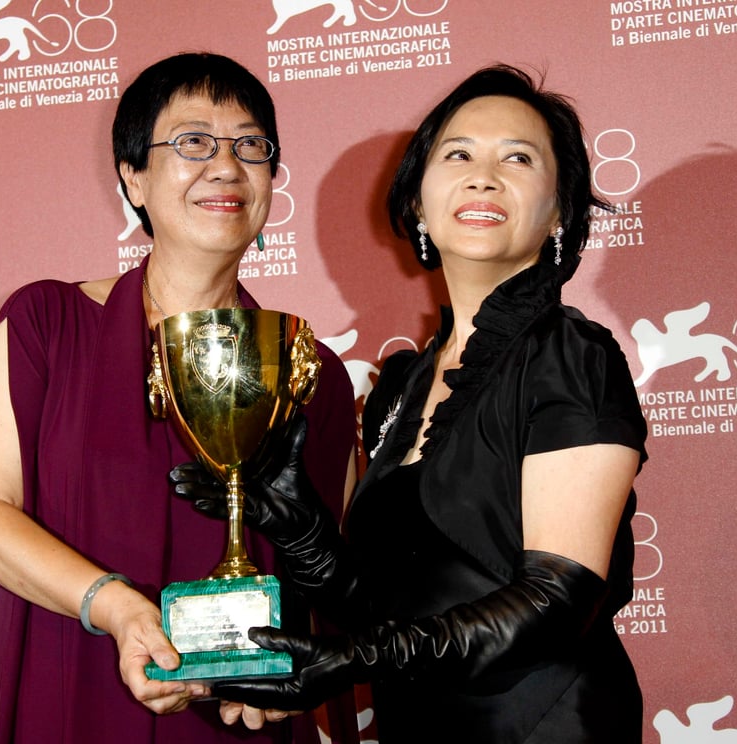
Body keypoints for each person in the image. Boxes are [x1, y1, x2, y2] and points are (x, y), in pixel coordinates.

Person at [176, 64, 648, 742]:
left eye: (518, 158)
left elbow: (557, 598)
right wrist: (301, 529)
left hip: (543, 725)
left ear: (559, 213)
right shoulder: (402, 386)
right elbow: (389, 610)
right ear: (419, 203)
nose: (483, 176)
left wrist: (356, 661)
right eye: (458, 154)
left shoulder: (571, 355)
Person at [0, 52, 357, 744]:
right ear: (133, 175)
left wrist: (294, 672)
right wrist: (119, 610)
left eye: (251, 146)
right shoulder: (47, 326)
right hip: (65, 695)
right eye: (193, 142)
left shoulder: (313, 373)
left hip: (230, 723)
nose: (226, 166)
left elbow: (336, 589)